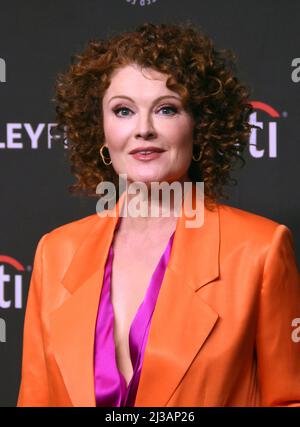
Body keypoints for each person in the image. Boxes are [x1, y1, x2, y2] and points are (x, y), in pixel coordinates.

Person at [17, 22, 300, 407]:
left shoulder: (260, 250)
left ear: (199, 126)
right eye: (123, 110)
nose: (143, 129)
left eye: (167, 109)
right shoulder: (55, 252)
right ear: (99, 130)